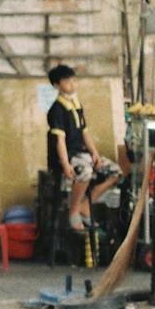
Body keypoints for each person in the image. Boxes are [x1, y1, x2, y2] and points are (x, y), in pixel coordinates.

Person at [47, 64, 120, 231]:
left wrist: (95, 154)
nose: (72, 85)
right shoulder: (56, 110)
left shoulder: (76, 104)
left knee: (116, 172)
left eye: (74, 81)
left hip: (84, 153)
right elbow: (59, 140)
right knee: (86, 172)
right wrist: (65, 164)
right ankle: (73, 211)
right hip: (70, 156)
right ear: (57, 85)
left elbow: (85, 132)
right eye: (67, 82)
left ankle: (85, 206)